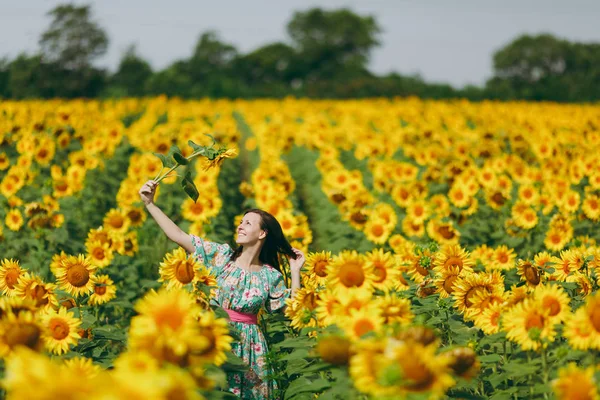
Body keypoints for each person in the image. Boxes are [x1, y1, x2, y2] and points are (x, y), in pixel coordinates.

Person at [139, 179, 304, 399]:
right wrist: (150, 204)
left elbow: (291, 311)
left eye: (247, 223)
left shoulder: (269, 276)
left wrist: (295, 271)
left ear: (262, 233)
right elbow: (178, 235)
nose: (240, 226)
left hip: (251, 349)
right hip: (214, 338)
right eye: (241, 222)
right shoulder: (221, 257)